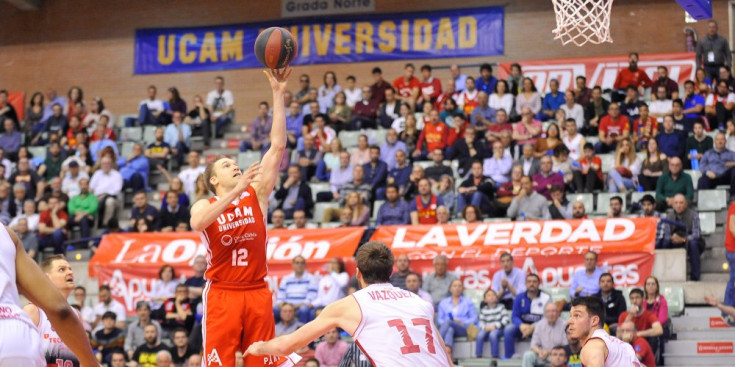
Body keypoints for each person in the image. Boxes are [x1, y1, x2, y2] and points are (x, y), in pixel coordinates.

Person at [189, 68, 300, 367]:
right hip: (222, 293)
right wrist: (234, 191)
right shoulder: (205, 204)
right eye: (226, 165)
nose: (234, 166)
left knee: (263, 361)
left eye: (235, 163)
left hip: (257, 291)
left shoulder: (256, 192)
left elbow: (277, 146)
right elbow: (198, 224)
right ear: (214, 180)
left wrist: (278, 94)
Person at [245, 241, 454, 367]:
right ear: (391, 272)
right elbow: (445, 354)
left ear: (358, 274)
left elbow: (286, 346)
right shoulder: (419, 302)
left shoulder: (350, 305)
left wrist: (258, 347)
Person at [0, 224, 99, 366]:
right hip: (14, 335)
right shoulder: (34, 311)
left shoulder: (76, 315)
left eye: (70, 269)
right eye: (62, 269)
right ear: (45, 277)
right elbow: (60, 310)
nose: (69, 273)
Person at [567, 297, 639, 367]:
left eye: (577, 316)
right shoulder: (621, 345)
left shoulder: (592, 346)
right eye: (570, 316)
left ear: (594, 321)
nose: (569, 321)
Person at [504, 274, 551, 359]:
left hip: (539, 328)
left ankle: (542, 356)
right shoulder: (519, 297)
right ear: (525, 284)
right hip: (522, 328)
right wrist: (521, 325)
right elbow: (514, 316)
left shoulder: (546, 298)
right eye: (529, 281)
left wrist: (533, 327)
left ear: (539, 284)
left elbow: (548, 318)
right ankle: (509, 357)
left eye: (534, 282)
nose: (531, 284)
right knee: (508, 329)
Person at [664, 194, 704, 280]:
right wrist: (673, 238)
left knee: (693, 244)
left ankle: (695, 277)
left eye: (681, 203)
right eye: (676, 203)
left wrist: (683, 239)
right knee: (664, 243)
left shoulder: (694, 215)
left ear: (686, 204)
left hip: (690, 241)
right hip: (674, 241)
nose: (678, 205)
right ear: (673, 205)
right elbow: (666, 234)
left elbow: (696, 234)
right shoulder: (668, 216)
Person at [437, 279, 478, 358]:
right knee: (450, 329)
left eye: (459, 286)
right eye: (455, 286)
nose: (457, 288)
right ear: (450, 289)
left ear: (462, 289)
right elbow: (439, 320)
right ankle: (448, 353)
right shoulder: (443, 302)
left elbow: (474, 318)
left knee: (448, 321)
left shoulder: (468, 302)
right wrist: (451, 322)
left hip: (463, 328)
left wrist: (461, 322)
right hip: (448, 327)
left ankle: (436, 342)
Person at [617, 289, 664, 357]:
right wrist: (630, 316)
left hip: (644, 342)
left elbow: (659, 330)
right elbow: (619, 334)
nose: (634, 301)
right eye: (632, 298)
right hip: (628, 340)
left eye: (637, 298)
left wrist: (637, 334)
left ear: (643, 299)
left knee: (654, 339)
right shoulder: (624, 315)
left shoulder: (649, 314)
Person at [522, 303, 568, 367]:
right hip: (542, 356)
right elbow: (533, 345)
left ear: (558, 313)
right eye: (548, 311)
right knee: (528, 355)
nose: (551, 314)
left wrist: (550, 352)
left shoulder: (564, 325)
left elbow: (566, 346)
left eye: (553, 311)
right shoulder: (539, 325)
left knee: (562, 356)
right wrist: (539, 352)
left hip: (557, 356)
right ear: (545, 314)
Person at [276, 256, 318, 324]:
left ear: (305, 265)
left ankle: (303, 332)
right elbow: (280, 297)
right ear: (292, 265)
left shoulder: (311, 279)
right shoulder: (286, 279)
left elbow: (310, 298)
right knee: (275, 309)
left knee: (304, 310)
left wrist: (294, 307)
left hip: (301, 306)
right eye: (297, 263)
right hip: (287, 305)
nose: (299, 265)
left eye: (302, 263)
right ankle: (276, 332)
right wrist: (284, 306)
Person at [475, 289, 510, 359]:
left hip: (498, 329)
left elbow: (506, 320)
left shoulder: (501, 307)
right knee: (479, 335)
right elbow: (481, 322)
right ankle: (478, 355)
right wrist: (484, 327)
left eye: (493, 295)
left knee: (493, 334)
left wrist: (495, 326)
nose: (491, 297)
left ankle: (495, 356)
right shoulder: (483, 310)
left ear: (497, 298)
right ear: (485, 300)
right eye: (488, 295)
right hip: (487, 329)